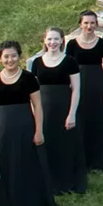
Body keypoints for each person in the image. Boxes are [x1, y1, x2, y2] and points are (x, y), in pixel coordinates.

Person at [0, 41, 56, 206]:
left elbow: (38, 105)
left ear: (20, 56)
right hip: (2, 129)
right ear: (0, 59)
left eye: (14, 56)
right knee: (4, 163)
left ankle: (31, 205)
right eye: (6, 56)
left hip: (25, 127)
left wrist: (39, 131)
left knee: (26, 164)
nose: (10, 60)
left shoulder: (29, 78)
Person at [30, 26, 86, 196]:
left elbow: (76, 89)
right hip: (44, 109)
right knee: (47, 144)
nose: (53, 42)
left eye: (56, 39)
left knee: (65, 145)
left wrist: (71, 113)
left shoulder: (69, 61)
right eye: (49, 39)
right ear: (44, 41)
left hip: (64, 108)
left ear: (62, 40)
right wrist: (34, 113)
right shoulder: (37, 63)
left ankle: (67, 181)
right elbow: (33, 91)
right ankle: (49, 182)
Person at [66, 11, 103, 173]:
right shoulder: (72, 45)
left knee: (100, 120)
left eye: (92, 23)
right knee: (83, 120)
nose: (89, 26)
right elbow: (69, 68)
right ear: (80, 24)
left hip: (98, 84)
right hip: (79, 85)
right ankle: (84, 160)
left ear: (96, 24)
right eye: (86, 23)